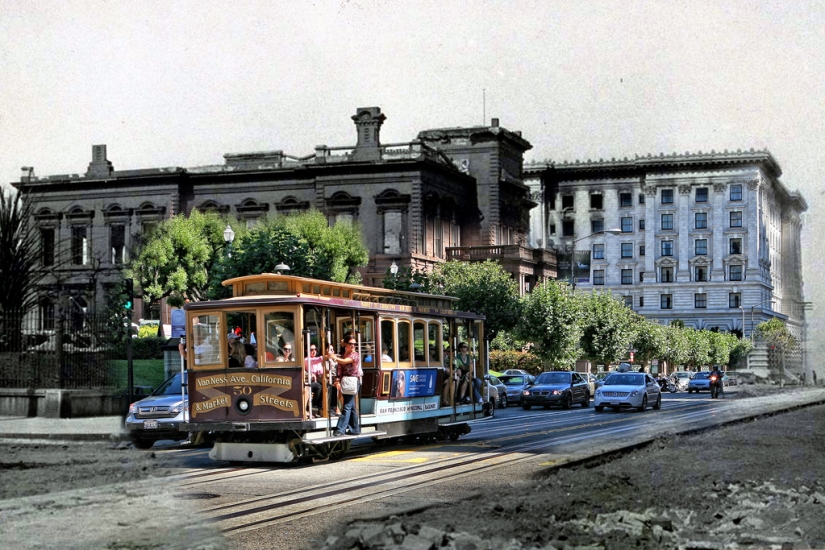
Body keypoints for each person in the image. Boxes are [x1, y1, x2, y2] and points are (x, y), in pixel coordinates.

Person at [328, 336, 362, 436]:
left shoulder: (355, 355)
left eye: (354, 344)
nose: (353, 346)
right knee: (350, 407)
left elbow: (345, 361)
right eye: (351, 343)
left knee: (346, 406)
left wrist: (334, 357)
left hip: (352, 382)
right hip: (344, 382)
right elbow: (339, 368)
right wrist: (337, 379)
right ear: (346, 345)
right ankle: (355, 429)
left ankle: (340, 429)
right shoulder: (342, 355)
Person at [304, 344, 324, 410]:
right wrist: (325, 357)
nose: (314, 351)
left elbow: (321, 371)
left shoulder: (317, 361)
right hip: (309, 381)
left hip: (317, 380)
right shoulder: (306, 359)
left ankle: (322, 407)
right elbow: (316, 360)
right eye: (311, 349)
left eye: (315, 349)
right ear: (307, 350)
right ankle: (314, 406)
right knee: (319, 386)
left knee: (328, 386)